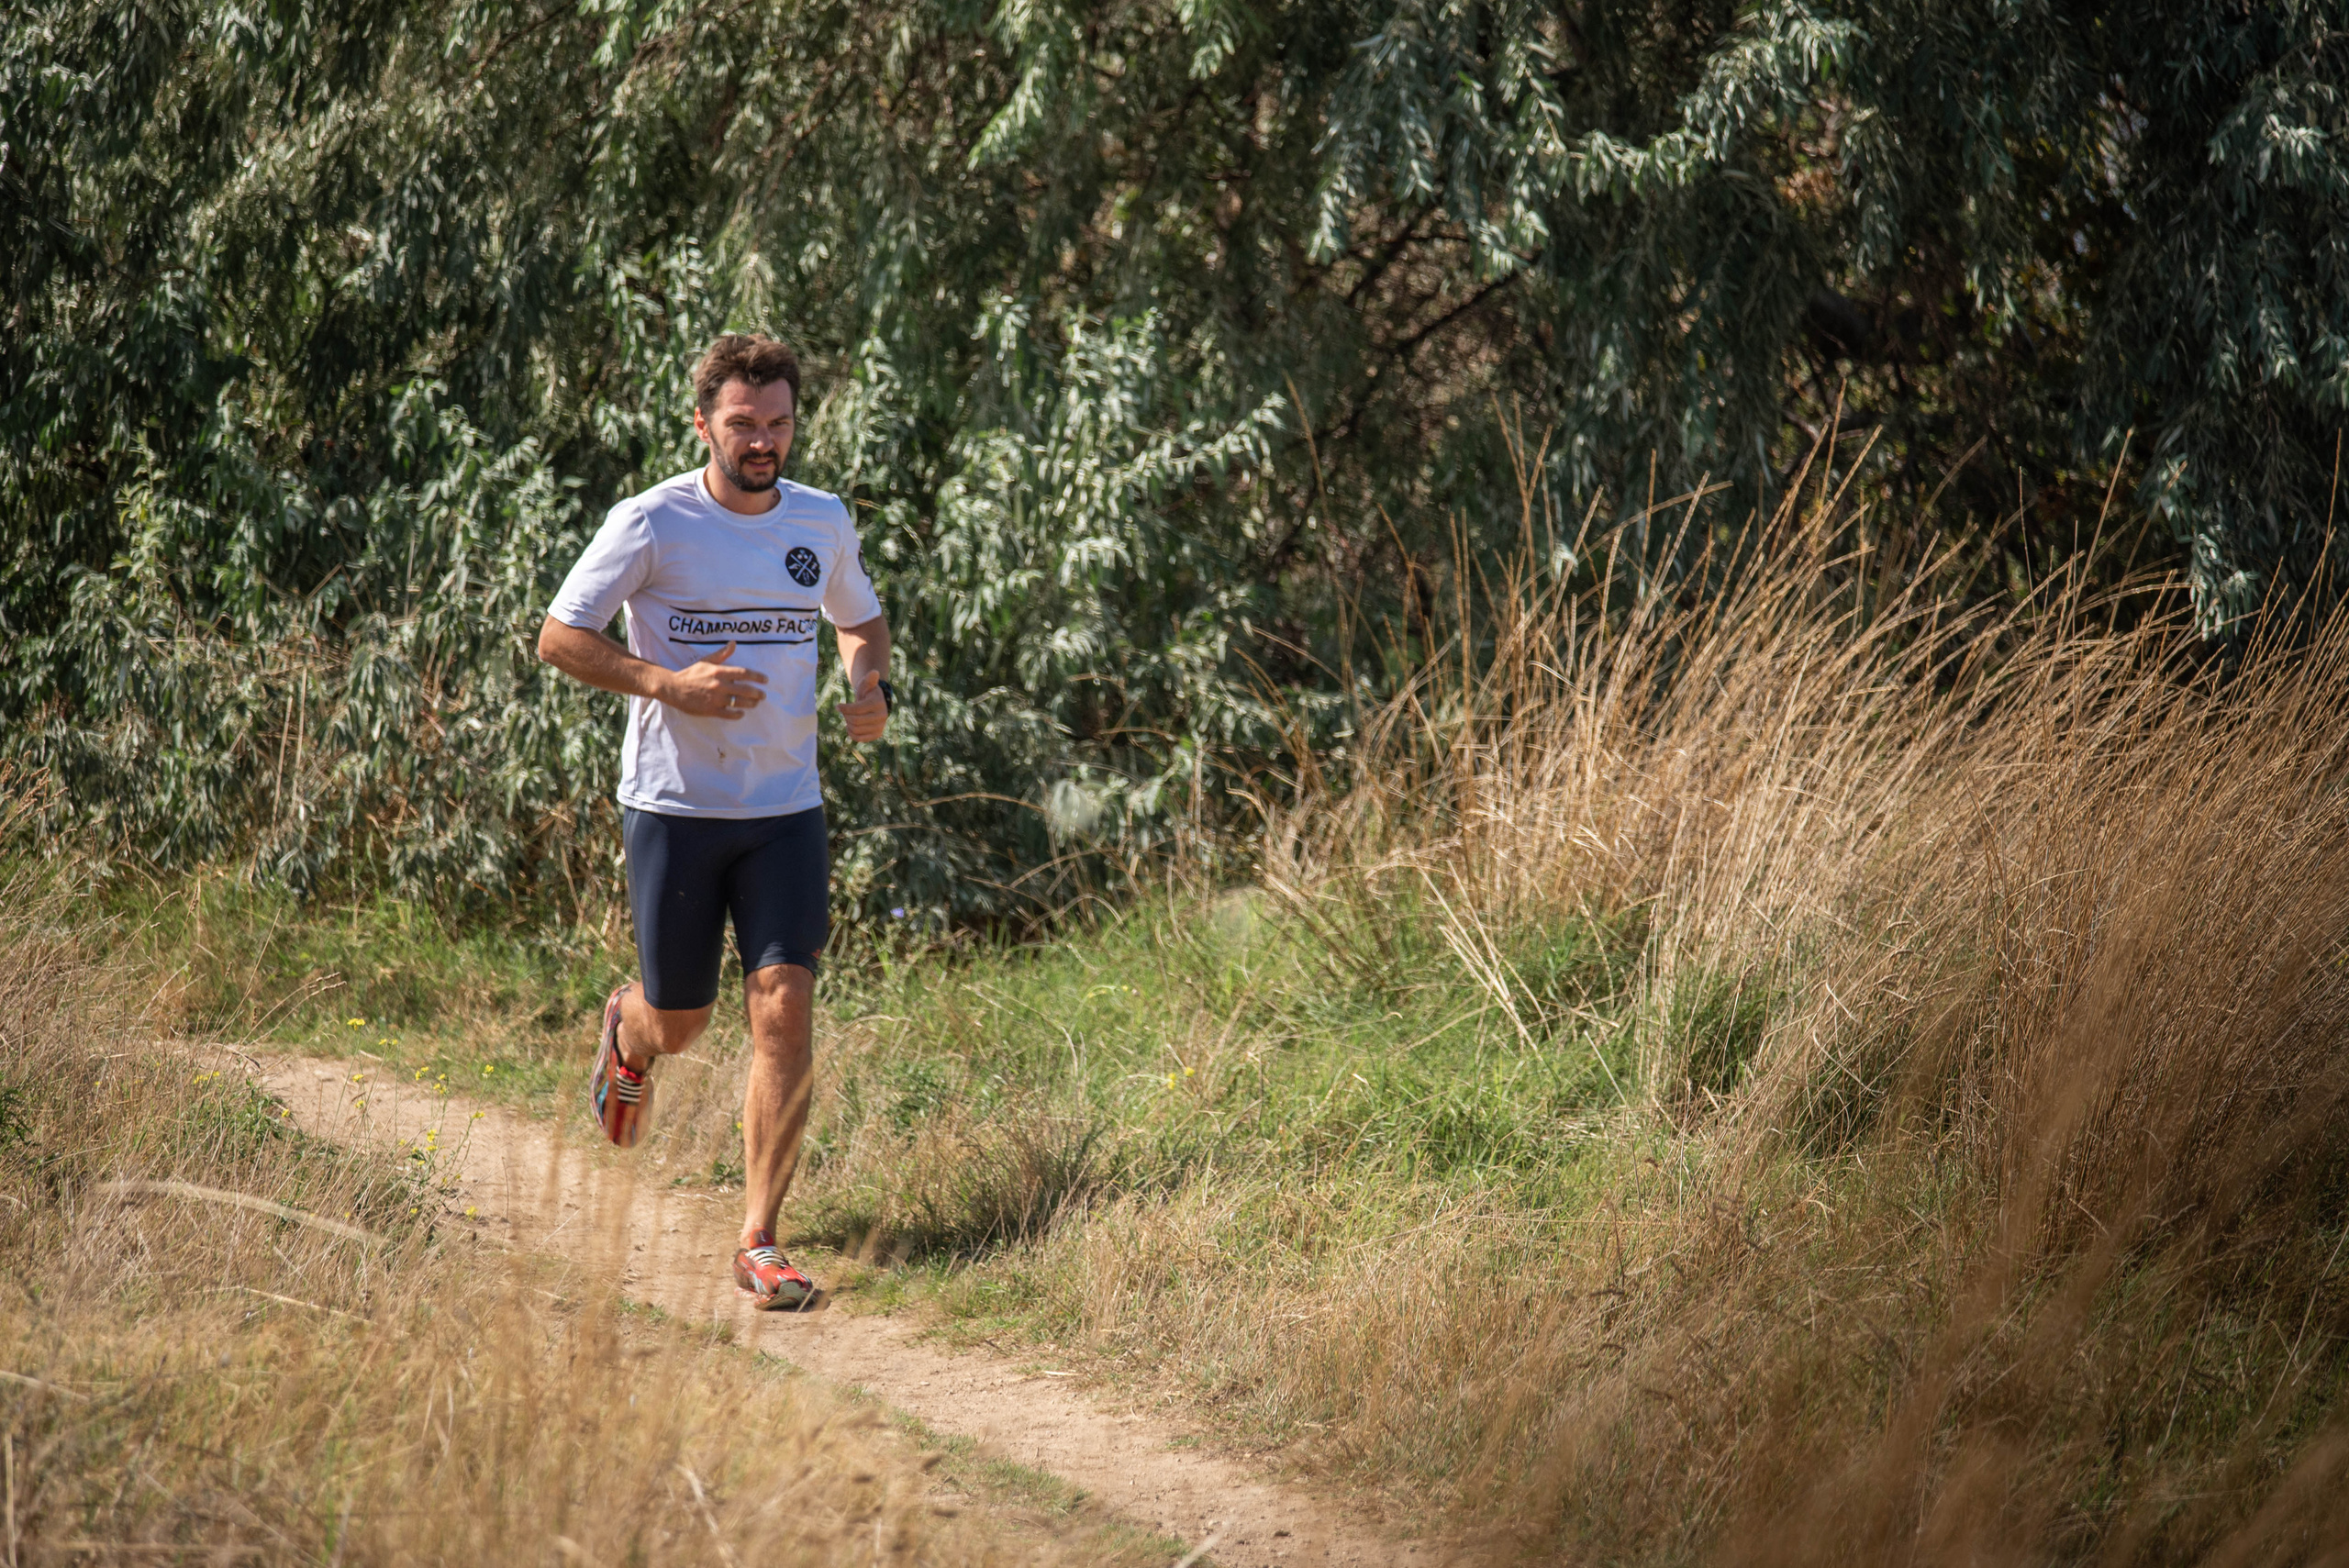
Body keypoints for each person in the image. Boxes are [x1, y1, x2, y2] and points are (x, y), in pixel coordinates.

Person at [536, 333, 891, 1310]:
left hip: (786, 809)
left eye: (778, 422)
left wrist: (871, 684)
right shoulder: (652, 521)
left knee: (782, 1007)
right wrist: (665, 683)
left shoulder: (820, 520)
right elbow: (560, 636)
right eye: (744, 423)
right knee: (684, 1023)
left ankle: (758, 1239)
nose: (764, 440)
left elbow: (861, 621)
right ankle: (630, 1026)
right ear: (704, 424)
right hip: (675, 808)